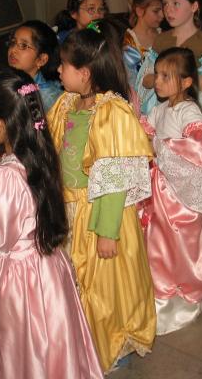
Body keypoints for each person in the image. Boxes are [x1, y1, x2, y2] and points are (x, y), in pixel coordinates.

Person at [0, 69, 103, 379]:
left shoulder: (5, 177)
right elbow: (22, 202)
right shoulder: (39, 155)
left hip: (22, 284)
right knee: (52, 345)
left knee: (29, 351)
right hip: (48, 271)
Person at [47, 21, 156, 373]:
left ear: (85, 72)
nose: (58, 70)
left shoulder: (111, 113)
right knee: (75, 282)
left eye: (64, 65)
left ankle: (108, 342)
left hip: (99, 216)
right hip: (70, 211)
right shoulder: (65, 104)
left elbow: (115, 176)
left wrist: (108, 231)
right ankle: (78, 338)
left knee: (103, 287)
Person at [138, 47, 202, 335]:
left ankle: (177, 297)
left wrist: (159, 149)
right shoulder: (158, 109)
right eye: (157, 74)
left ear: (186, 82)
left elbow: (200, 150)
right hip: (157, 192)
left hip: (179, 196)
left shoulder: (189, 111)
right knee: (156, 244)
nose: (156, 81)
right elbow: (144, 135)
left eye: (165, 76)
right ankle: (157, 291)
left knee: (177, 245)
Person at [136, 0, 202, 115]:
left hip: (194, 112)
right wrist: (161, 78)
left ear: (194, 6)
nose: (168, 9)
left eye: (176, 3)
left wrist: (180, 78)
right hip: (163, 112)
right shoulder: (161, 40)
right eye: (165, 3)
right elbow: (145, 79)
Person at [6, 20, 63, 111]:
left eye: (23, 46)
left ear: (41, 60)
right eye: (13, 43)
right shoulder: (9, 81)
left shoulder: (49, 100)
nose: (13, 50)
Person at [122, 0, 163, 87]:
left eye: (163, 9)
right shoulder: (129, 41)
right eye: (156, 11)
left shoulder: (164, 36)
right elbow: (130, 81)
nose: (162, 15)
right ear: (139, 11)